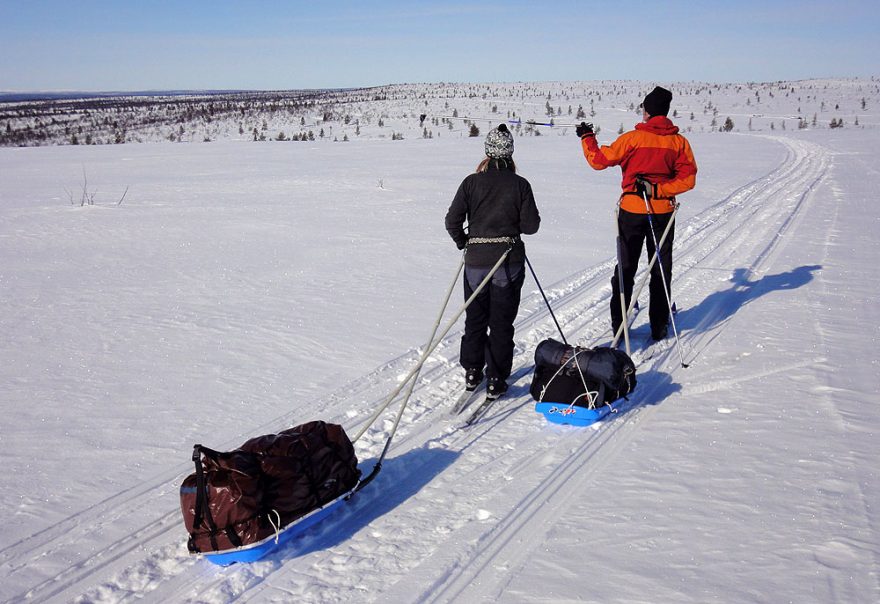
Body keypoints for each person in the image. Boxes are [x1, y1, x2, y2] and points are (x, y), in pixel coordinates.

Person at [576, 86, 697, 341]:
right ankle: (659, 326)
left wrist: (587, 137)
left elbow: (598, 160)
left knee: (626, 268)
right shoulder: (679, 143)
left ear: (648, 111)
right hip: (663, 212)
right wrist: (662, 189)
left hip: (631, 212)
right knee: (660, 269)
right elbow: (688, 180)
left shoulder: (632, 139)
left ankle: (619, 326)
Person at [445, 124, 541, 399]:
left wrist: (464, 242)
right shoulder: (520, 184)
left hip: (476, 263)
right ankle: (497, 377)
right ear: (510, 152)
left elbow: (452, 221)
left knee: (475, 318)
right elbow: (531, 226)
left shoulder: (471, 182)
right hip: (508, 263)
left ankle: (473, 371)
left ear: (487, 151)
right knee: (501, 322)